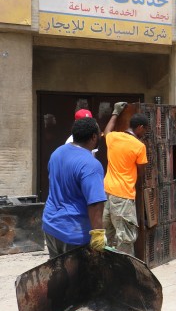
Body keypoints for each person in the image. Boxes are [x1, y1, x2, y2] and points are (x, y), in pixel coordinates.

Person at [42, 117, 107, 259]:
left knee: (59, 274)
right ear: (94, 137)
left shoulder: (57, 153)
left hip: (51, 226)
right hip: (74, 234)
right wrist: (98, 235)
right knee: (79, 279)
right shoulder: (91, 165)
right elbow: (95, 203)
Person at [103, 102, 149, 255]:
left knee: (107, 235)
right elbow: (141, 171)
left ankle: (105, 267)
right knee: (126, 237)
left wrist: (115, 112)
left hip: (107, 193)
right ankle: (125, 271)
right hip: (124, 196)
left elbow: (107, 130)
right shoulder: (139, 146)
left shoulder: (113, 137)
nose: (145, 133)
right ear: (140, 127)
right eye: (145, 130)